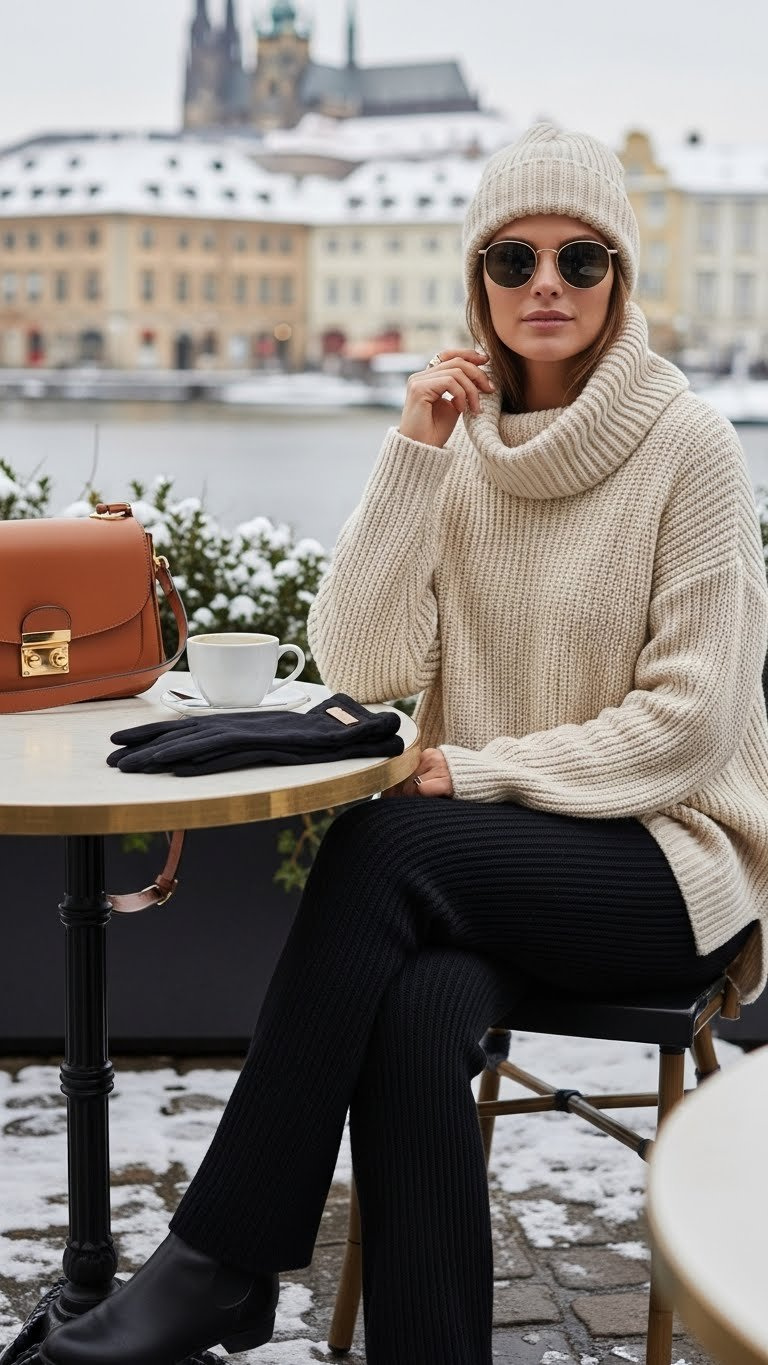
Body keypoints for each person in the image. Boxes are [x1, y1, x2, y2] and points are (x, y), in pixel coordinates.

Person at [40, 122, 768, 1365]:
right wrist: (414, 453)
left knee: (384, 846)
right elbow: (364, 665)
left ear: (620, 277)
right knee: (420, 1010)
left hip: (667, 864)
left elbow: (691, 728)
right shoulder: (461, 446)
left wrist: (480, 773)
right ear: (477, 278)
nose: (547, 284)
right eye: (514, 258)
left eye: (582, 259)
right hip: (492, 863)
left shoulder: (688, 446)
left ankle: (219, 1260)